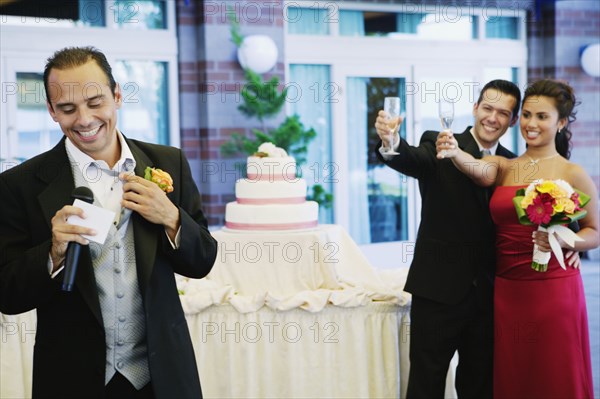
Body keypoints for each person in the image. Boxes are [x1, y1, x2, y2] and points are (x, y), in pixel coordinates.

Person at [0, 47, 218, 399]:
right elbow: (7, 294)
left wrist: (172, 218)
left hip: (162, 378)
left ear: (116, 96)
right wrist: (52, 253)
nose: (85, 119)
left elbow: (203, 259)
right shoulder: (19, 185)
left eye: (95, 102)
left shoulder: (169, 161)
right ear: (52, 111)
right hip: (72, 379)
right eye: (68, 109)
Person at [436, 79, 598, 398]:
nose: (530, 123)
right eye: (526, 115)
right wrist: (455, 152)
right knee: (514, 371)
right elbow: (476, 169)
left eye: (542, 116)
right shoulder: (503, 165)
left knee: (553, 369)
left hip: (554, 288)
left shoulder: (572, 172)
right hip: (508, 289)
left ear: (561, 122)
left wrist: (566, 241)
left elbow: (594, 232)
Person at [374, 79, 521, 398]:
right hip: (437, 291)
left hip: (489, 297)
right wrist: (391, 141)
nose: (492, 118)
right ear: (475, 108)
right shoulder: (441, 142)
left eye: (502, 112)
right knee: (426, 383)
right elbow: (410, 158)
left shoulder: (512, 164)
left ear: (513, 120)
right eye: (487, 108)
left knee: (480, 385)